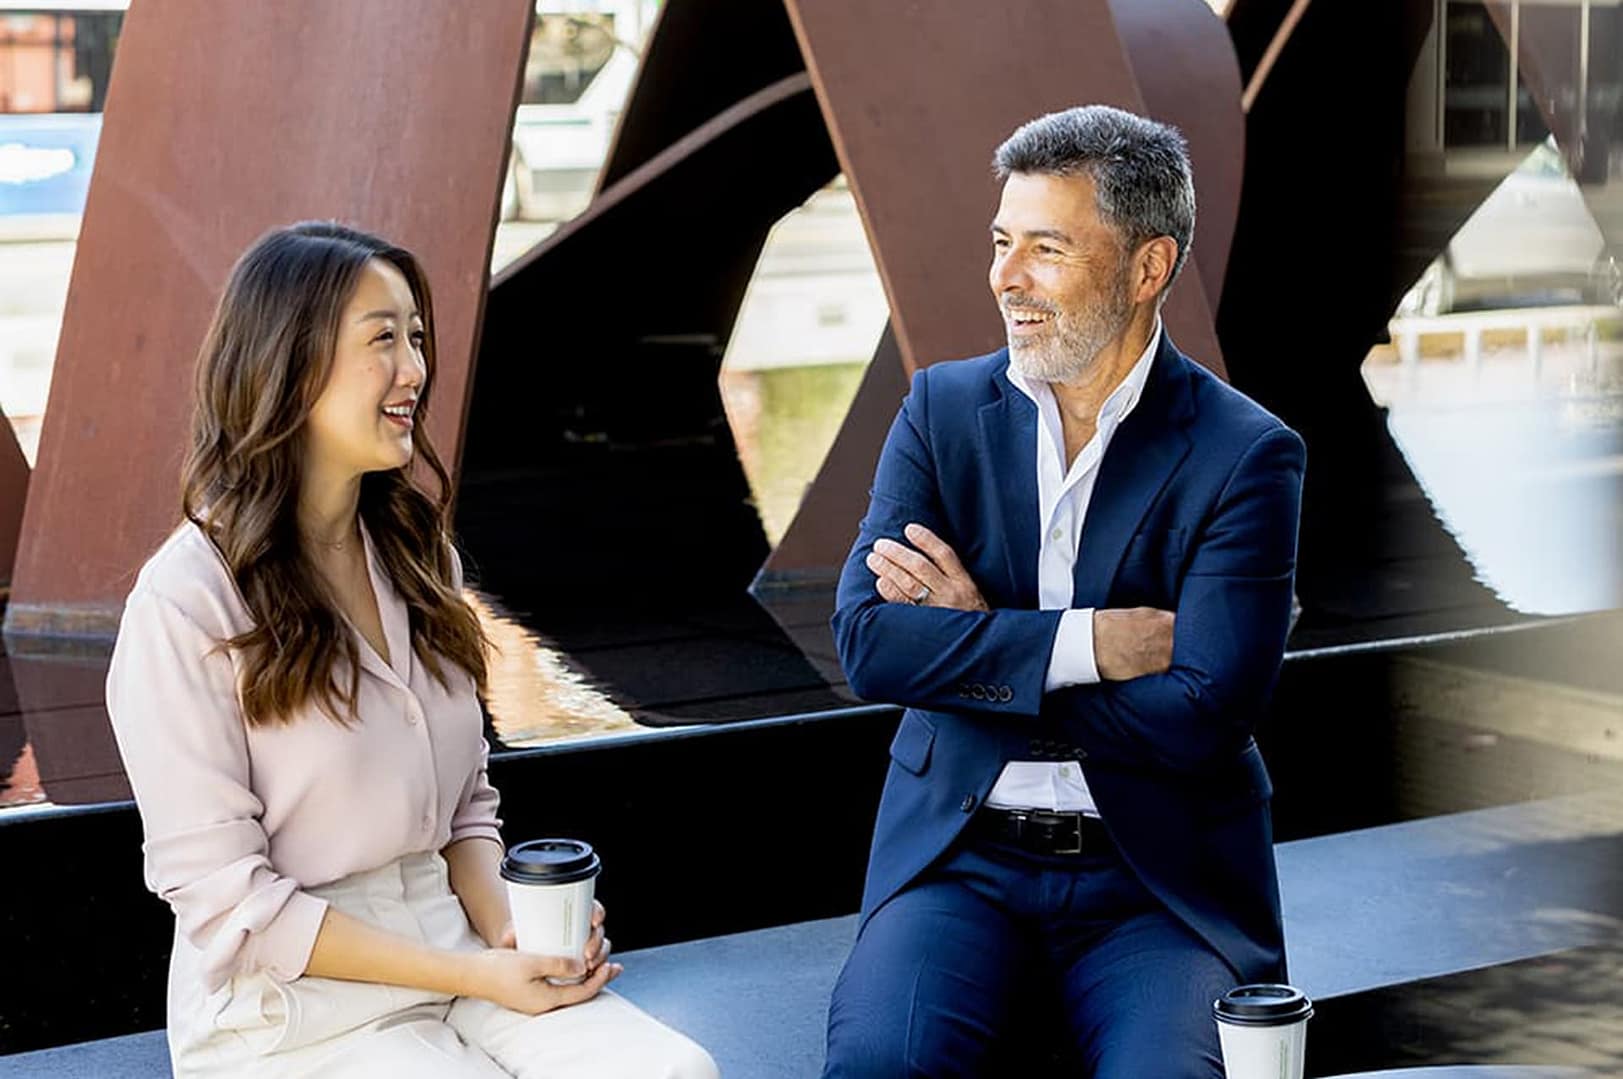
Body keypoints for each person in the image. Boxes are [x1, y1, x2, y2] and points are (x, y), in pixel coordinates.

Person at [105, 222, 719, 1079]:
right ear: (292, 362)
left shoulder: (417, 554)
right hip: (289, 1008)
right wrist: (473, 968)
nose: (415, 370)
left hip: (452, 942)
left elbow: (466, 800)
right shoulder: (183, 603)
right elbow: (230, 902)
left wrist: (515, 930)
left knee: (674, 1072)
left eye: (418, 337)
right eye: (383, 339)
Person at [821, 106, 1306, 1078]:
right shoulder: (942, 410)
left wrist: (978, 640)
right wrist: (1086, 644)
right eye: (1003, 242)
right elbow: (869, 641)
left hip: (1159, 888)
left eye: (1047, 247)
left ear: (1147, 268)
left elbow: (1205, 715)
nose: (1007, 276)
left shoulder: (1246, 453)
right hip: (958, 864)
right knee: (880, 1064)